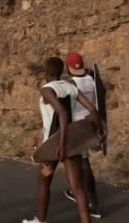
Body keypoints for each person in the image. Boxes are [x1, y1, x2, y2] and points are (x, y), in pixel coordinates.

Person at [23, 57, 106, 223]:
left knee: (44, 182)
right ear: (61, 71)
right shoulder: (71, 86)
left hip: (54, 144)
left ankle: (40, 220)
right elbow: (92, 109)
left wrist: (60, 145)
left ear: (46, 72)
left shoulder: (47, 89)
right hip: (72, 142)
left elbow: (62, 113)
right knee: (77, 188)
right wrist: (100, 131)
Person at [62, 52, 104, 218]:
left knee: (83, 164)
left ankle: (92, 203)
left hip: (77, 128)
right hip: (91, 125)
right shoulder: (90, 79)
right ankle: (77, 191)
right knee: (82, 163)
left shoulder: (71, 83)